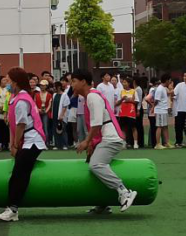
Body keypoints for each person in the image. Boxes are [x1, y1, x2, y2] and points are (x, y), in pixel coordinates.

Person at [71, 68, 137, 214]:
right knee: (92, 164)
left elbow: (97, 124)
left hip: (111, 139)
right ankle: (102, 203)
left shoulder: (92, 97)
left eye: (74, 81)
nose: (72, 85)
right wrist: (91, 143)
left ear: (83, 82)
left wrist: (86, 142)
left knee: (96, 165)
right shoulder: (90, 96)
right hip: (105, 138)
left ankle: (124, 192)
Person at [0, 67, 46, 222]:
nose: (6, 83)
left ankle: (13, 208)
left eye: (8, 80)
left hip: (32, 140)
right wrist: (14, 143)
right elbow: (14, 124)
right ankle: (12, 207)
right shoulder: (16, 97)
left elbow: (21, 124)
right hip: (27, 140)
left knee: (20, 173)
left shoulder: (21, 100)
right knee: (18, 172)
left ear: (16, 82)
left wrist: (15, 145)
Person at [116, 76, 139, 149]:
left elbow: (136, 101)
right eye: (123, 82)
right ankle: (123, 143)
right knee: (123, 128)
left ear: (129, 83)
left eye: (125, 82)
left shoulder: (133, 91)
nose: (123, 83)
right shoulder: (121, 91)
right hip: (122, 112)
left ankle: (135, 143)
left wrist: (130, 100)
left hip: (131, 113)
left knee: (133, 127)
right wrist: (122, 99)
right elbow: (117, 103)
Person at [153, 76, 172, 150]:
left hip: (164, 110)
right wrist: (153, 107)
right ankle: (157, 144)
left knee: (165, 127)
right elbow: (156, 100)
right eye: (169, 80)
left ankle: (167, 143)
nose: (170, 82)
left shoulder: (163, 88)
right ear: (166, 80)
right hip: (160, 110)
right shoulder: (160, 89)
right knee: (159, 126)